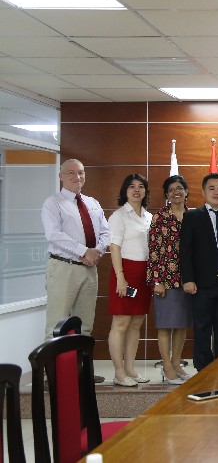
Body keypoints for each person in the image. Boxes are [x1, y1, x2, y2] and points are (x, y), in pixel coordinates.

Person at [41, 159, 109, 383]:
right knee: (56, 324)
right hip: (64, 267)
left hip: (89, 269)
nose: (76, 177)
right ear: (61, 176)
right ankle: (52, 377)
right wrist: (83, 251)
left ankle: (82, 373)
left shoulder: (92, 203)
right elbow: (54, 234)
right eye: (70, 173)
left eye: (80, 172)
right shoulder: (53, 203)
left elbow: (105, 233)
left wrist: (96, 252)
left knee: (85, 325)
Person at [180, 173, 218, 371]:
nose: (216, 192)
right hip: (201, 284)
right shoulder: (192, 216)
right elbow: (185, 251)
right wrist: (188, 279)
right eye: (211, 188)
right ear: (203, 192)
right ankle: (203, 369)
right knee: (202, 328)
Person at [107, 174, 153, 386]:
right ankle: (119, 372)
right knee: (121, 322)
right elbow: (114, 247)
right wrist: (120, 278)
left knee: (136, 323)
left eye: (141, 186)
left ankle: (130, 369)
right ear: (125, 191)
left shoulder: (149, 216)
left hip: (144, 273)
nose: (136, 190)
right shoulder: (119, 216)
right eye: (132, 186)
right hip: (125, 271)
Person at [147, 175, 192, 384]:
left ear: (186, 191)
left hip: (187, 279)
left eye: (180, 188)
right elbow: (154, 250)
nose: (176, 192)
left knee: (182, 324)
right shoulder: (160, 217)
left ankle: (176, 363)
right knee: (165, 324)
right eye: (172, 189)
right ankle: (166, 367)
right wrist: (157, 281)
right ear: (166, 194)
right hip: (166, 278)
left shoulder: (193, 216)